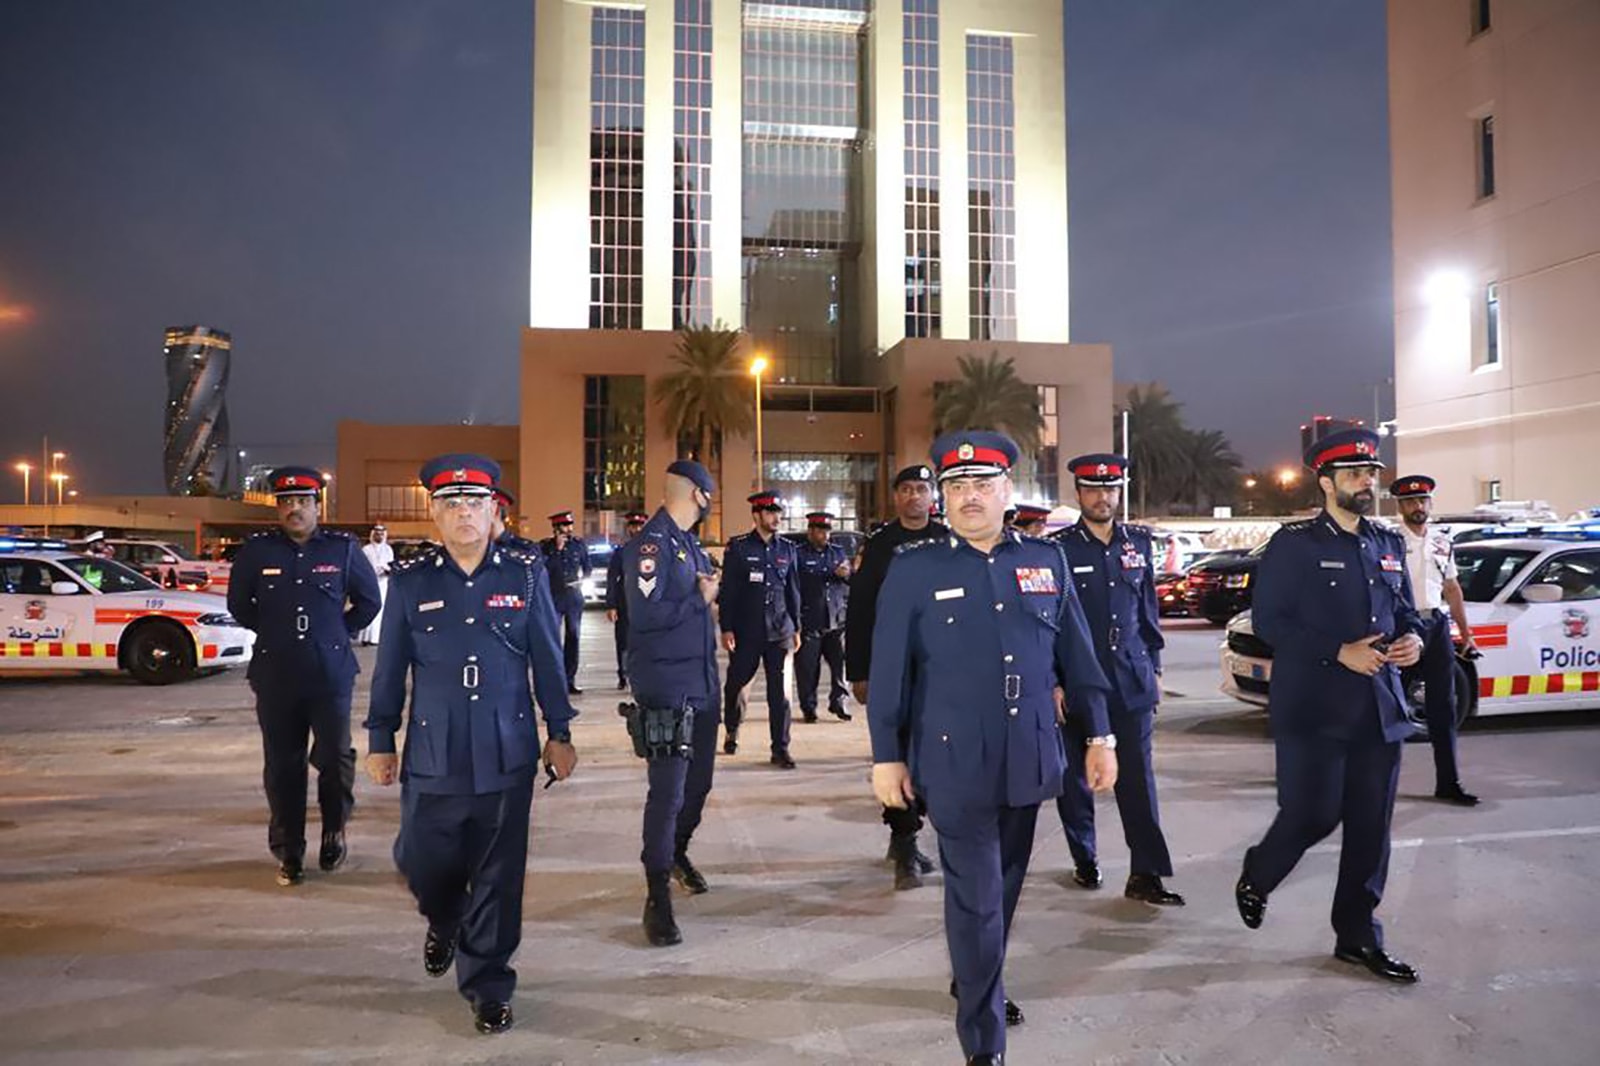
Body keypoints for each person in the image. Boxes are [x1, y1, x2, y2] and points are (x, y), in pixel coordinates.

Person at [868, 431, 1116, 1066]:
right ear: (943, 497)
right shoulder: (915, 568)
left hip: (1028, 755)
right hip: (953, 761)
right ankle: (984, 1043)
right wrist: (886, 756)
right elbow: (889, 671)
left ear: (1008, 490)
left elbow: (1079, 658)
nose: (970, 497)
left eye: (983, 485)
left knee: (1002, 891)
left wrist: (1099, 735)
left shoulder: (1045, 561)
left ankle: (975, 976)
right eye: (957, 487)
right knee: (976, 898)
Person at [364, 453, 578, 1035]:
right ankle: (445, 918)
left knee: (499, 878)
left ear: (493, 511)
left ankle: (489, 986)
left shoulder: (523, 576)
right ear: (434, 513)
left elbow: (548, 661)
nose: (464, 513)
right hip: (434, 754)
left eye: (475, 503)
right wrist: (381, 739)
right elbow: (390, 670)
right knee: (420, 861)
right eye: (452, 503)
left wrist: (559, 732)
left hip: (506, 751)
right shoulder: (411, 583)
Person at [1236, 428, 1425, 985]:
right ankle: (1259, 872)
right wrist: (1338, 651)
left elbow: (1404, 611)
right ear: (1326, 481)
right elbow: (1270, 622)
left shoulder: (1387, 542)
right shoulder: (1294, 544)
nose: (1367, 482)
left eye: (1371, 473)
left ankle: (1357, 935)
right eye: (1354, 474)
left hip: (1378, 708)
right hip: (1313, 709)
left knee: (1371, 827)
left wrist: (1413, 640)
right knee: (1313, 813)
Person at [227, 466, 382, 887]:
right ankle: (289, 850)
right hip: (276, 672)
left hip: (328, 672)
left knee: (334, 756)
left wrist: (335, 633)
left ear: (317, 506)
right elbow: (239, 605)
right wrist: (275, 632)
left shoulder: (342, 549)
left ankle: (334, 829)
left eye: (302, 502)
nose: (294, 509)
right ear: (278, 508)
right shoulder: (257, 552)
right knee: (283, 765)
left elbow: (369, 601)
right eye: (286, 502)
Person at [1052, 454, 1185, 907]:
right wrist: (1053, 681)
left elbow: (1147, 610)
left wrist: (1155, 666)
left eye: (1110, 489)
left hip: (1130, 677)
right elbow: (1047, 622)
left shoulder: (1138, 544)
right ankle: (1085, 856)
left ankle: (1146, 873)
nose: (1103, 497)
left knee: (1138, 780)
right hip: (1077, 680)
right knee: (1074, 779)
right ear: (1079, 493)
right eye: (1093, 489)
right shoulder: (1058, 550)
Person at [618, 462, 721, 945]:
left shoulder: (689, 545)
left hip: (702, 682)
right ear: (699, 495)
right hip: (665, 684)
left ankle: (676, 851)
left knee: (699, 785)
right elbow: (646, 614)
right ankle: (656, 893)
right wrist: (700, 599)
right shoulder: (651, 545)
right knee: (668, 792)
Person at [846, 464, 947, 890]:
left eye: (921, 489)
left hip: (940, 670)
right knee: (895, 752)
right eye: (906, 489)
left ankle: (906, 833)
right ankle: (905, 843)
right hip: (893, 669)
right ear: (896, 496)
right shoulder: (881, 545)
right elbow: (860, 609)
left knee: (932, 756)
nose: (914, 496)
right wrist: (859, 671)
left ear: (932, 496)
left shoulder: (948, 541)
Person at [1390, 474, 1479, 806]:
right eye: (1410, 501)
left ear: (1430, 503)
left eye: (1422, 500)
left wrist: (1466, 635)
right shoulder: (1390, 541)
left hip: (1436, 625)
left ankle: (1449, 783)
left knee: (1443, 707)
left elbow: (1452, 589)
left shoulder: (1443, 541)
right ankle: (1372, 782)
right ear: (1400, 506)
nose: (1418, 506)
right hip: (1401, 627)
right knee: (1387, 705)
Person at [717, 490, 802, 767]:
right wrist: (726, 628)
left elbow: (793, 591)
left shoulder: (787, 549)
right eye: (770, 512)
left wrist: (796, 627)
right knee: (736, 685)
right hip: (747, 631)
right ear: (756, 515)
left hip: (780, 631)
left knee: (781, 694)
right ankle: (732, 728)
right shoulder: (739, 547)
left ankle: (781, 748)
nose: (776, 518)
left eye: (778, 513)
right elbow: (728, 591)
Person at [794, 510, 852, 723]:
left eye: (827, 530)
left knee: (840, 665)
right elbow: (794, 586)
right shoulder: (798, 554)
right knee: (808, 669)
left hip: (836, 619)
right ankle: (809, 707)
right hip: (810, 620)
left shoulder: (837, 552)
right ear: (810, 531)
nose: (825, 535)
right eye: (820, 530)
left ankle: (839, 702)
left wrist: (847, 574)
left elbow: (849, 578)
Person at [541, 509, 593, 695]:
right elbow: (541, 568)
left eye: (570, 525)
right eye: (565, 526)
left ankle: (569, 679)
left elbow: (587, 567)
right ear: (556, 528)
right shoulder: (545, 547)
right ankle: (553, 680)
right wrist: (557, 550)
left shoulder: (578, 545)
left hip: (573, 597)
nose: (569, 529)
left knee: (574, 637)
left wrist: (583, 579)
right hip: (553, 597)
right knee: (552, 639)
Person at [606, 510, 649, 690]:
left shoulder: (652, 551)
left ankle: (643, 674)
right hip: (625, 602)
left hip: (647, 603)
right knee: (623, 641)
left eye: (640, 526)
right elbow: (612, 578)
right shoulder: (622, 552)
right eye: (633, 526)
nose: (636, 529)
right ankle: (624, 675)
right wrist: (611, 605)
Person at [358, 525, 395, 646]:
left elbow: (391, 565)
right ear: (373, 535)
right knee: (369, 607)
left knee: (381, 609)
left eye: (381, 534)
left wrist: (387, 571)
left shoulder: (388, 549)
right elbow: (362, 566)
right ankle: (366, 638)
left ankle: (377, 638)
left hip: (383, 583)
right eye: (377, 534)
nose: (379, 536)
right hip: (369, 583)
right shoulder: (366, 549)